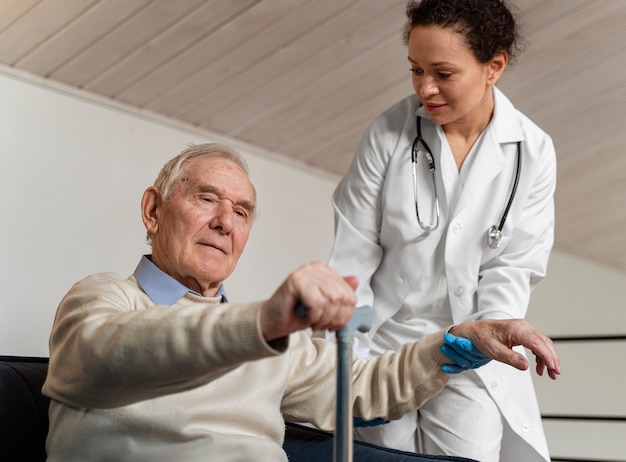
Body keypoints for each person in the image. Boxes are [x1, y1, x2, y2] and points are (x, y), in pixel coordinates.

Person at [42, 143, 559, 462]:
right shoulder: (103, 299)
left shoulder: (272, 338)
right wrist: (264, 321)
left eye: (242, 212)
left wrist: (457, 341)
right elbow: (112, 355)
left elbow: (359, 386)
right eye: (206, 198)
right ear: (153, 210)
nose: (226, 221)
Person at [327, 0, 558, 461]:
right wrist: (352, 359)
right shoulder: (387, 134)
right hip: (385, 348)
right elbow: (352, 255)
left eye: (443, 73)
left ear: (494, 65)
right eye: (415, 70)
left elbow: (513, 264)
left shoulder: (532, 152)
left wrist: (493, 326)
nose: (425, 88)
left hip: (468, 352)